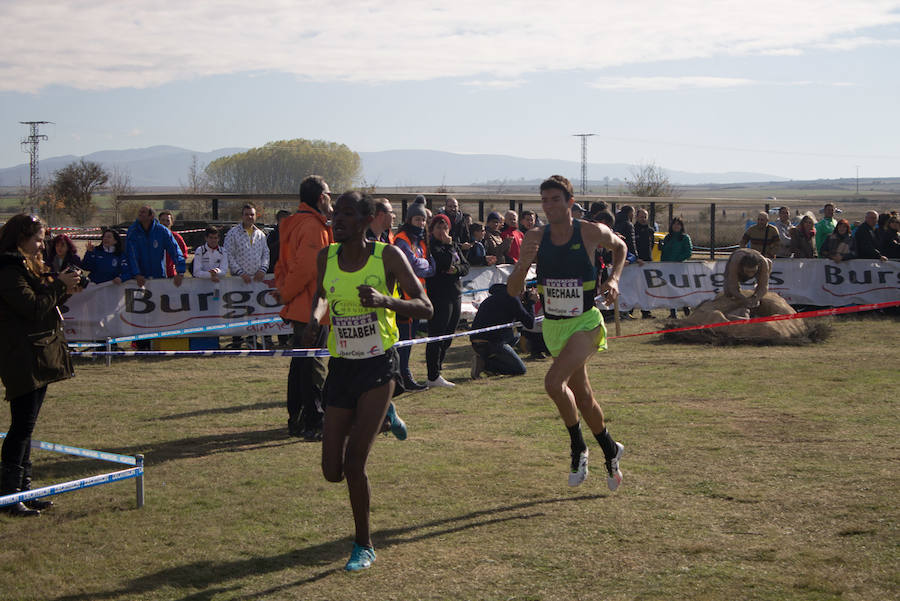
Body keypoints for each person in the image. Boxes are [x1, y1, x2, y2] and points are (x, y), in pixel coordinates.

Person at [303, 191, 432, 572]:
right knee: (332, 471)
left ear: (364, 220)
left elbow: (425, 307)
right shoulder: (326, 256)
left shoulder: (387, 256)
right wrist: (314, 318)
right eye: (333, 214)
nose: (335, 220)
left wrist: (386, 301)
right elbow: (323, 296)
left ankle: (364, 544)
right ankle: (385, 413)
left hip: (378, 365)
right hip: (342, 366)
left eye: (345, 214)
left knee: (355, 464)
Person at [507, 175, 627, 491]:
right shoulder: (535, 236)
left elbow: (621, 246)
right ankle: (611, 449)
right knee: (584, 398)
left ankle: (578, 448)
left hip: (586, 323)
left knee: (552, 382)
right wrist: (523, 264)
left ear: (569, 202)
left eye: (555, 200)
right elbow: (513, 290)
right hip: (554, 325)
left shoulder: (590, 232)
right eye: (544, 200)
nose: (548, 206)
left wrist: (614, 279)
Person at [0, 214, 82, 516]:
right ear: (20, 238)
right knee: (21, 426)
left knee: (28, 425)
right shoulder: (8, 270)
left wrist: (66, 287)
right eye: (37, 237)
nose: (42, 243)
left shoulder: (28, 266)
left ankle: (24, 489)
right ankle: (8, 496)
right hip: (19, 353)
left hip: (37, 351)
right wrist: (58, 286)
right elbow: (32, 307)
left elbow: (44, 301)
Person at [275, 176, 333, 439]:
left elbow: (282, 266)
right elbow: (309, 268)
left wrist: (285, 293)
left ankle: (297, 420)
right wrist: (287, 294)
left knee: (300, 367)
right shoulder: (312, 226)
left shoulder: (293, 223)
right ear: (321, 198)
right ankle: (313, 421)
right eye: (329, 194)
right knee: (312, 368)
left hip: (300, 306)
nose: (331, 198)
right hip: (311, 308)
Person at [392, 198, 434, 391]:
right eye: (418, 219)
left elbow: (430, 268)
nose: (421, 223)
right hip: (404, 299)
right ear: (409, 220)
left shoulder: (421, 242)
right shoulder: (402, 239)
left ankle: (403, 375)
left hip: (417, 299)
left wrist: (421, 264)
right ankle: (402, 377)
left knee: (409, 341)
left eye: (423, 220)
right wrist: (422, 264)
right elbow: (415, 265)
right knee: (404, 342)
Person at [424, 213, 469, 387]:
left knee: (449, 334)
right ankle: (432, 375)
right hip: (439, 296)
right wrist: (449, 248)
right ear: (432, 229)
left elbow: (465, 266)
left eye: (445, 228)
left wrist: (456, 269)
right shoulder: (432, 246)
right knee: (437, 334)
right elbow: (443, 262)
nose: (442, 231)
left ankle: (438, 369)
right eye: (438, 228)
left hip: (455, 294)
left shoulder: (453, 244)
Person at [469, 283, 536, 379]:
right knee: (520, 370)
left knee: (516, 335)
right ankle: (486, 364)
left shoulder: (496, 296)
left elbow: (520, 324)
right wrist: (531, 302)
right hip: (491, 342)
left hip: (476, 340)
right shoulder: (512, 299)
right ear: (520, 291)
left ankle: (489, 357)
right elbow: (529, 324)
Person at [125, 206, 186, 288]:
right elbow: (131, 255)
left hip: (159, 277)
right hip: (140, 279)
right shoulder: (133, 231)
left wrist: (180, 272)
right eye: (139, 212)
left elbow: (175, 251)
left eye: (143, 212)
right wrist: (137, 274)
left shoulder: (162, 231)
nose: (140, 214)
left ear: (151, 216)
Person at [658, 217, 693, 318]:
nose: (676, 226)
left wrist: (677, 260)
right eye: (674, 224)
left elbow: (688, 252)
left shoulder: (685, 238)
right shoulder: (667, 237)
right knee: (670, 290)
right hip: (667, 268)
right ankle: (673, 312)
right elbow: (664, 253)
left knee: (681, 290)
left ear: (681, 226)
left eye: (678, 224)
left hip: (680, 268)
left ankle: (686, 309)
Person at [723, 248, 772, 318]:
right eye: (748, 271)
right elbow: (732, 287)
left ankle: (754, 311)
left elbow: (764, 287)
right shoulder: (735, 262)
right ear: (742, 267)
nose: (750, 275)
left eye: (753, 271)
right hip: (737, 264)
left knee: (769, 262)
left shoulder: (764, 263)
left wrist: (756, 297)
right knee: (728, 292)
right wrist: (743, 299)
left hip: (760, 265)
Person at [158, 211, 188, 279]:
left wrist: (178, 269)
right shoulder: (153, 237)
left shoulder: (177, 237)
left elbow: (184, 255)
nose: (165, 223)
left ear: (171, 222)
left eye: (168, 220)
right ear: (158, 222)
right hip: (156, 276)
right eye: (162, 220)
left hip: (172, 276)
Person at [267, 209, 292, 274]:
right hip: (274, 272)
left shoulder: (294, 235)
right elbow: (268, 252)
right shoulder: (272, 235)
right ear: (279, 221)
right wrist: (281, 241)